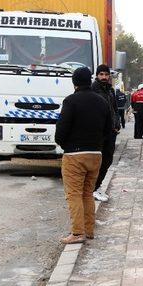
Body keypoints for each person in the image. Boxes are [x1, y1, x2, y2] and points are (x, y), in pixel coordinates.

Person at [55, 67, 112, 244]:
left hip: (74, 155)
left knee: (74, 194)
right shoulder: (102, 101)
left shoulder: (71, 101)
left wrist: (65, 144)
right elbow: (108, 129)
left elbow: (62, 129)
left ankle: (77, 233)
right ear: (90, 80)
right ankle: (89, 230)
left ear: (74, 82)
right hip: (96, 154)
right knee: (88, 193)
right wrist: (97, 145)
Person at [91, 65, 120, 202]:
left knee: (108, 160)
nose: (103, 77)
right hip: (99, 132)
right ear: (97, 75)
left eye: (106, 74)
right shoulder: (93, 90)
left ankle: (97, 186)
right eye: (101, 74)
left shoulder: (110, 91)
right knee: (97, 161)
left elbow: (114, 109)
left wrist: (117, 124)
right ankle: (93, 188)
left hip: (111, 132)